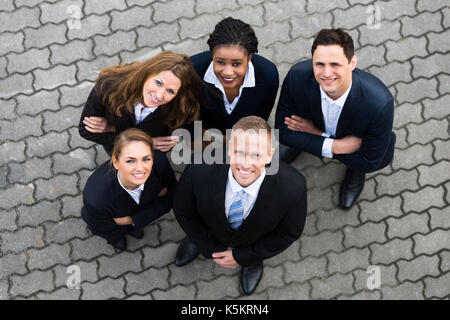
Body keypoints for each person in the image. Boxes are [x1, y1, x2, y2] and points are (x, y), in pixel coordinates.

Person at [173, 116, 307, 295]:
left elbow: (288, 234)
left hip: (253, 244)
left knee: (251, 254)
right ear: (229, 149)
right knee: (199, 233)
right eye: (240, 152)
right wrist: (209, 246)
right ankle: (197, 243)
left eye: (256, 155)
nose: (245, 164)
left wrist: (243, 256)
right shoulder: (199, 167)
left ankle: (252, 263)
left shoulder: (294, 186)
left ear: (270, 155)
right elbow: (184, 210)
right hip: (209, 232)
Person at [275, 28, 396, 210]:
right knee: (293, 138)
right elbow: (283, 133)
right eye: (319, 64)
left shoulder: (379, 104)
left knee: (361, 164)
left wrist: (315, 135)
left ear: (352, 63)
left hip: (354, 150)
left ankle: (354, 173)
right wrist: (337, 146)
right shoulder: (297, 76)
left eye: (335, 64)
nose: (326, 73)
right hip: (325, 132)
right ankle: (302, 144)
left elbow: (369, 160)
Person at [78, 51, 203, 154]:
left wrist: (113, 129)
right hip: (117, 149)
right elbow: (85, 130)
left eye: (170, 91)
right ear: (146, 74)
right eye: (158, 83)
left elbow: (173, 140)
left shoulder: (180, 107)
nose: (159, 96)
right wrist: (147, 142)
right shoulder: (109, 86)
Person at [81, 128, 177, 250]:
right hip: (110, 225)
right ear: (116, 163)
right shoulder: (95, 197)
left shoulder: (160, 163)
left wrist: (132, 220)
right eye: (130, 161)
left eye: (146, 159)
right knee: (114, 234)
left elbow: (172, 198)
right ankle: (118, 237)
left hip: (122, 218)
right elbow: (102, 226)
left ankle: (132, 227)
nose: (140, 168)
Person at [190, 17, 279, 135]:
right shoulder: (193, 70)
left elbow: (262, 115)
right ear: (212, 55)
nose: (227, 72)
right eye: (220, 62)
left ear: (249, 58)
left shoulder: (268, 75)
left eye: (236, 64)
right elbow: (186, 112)